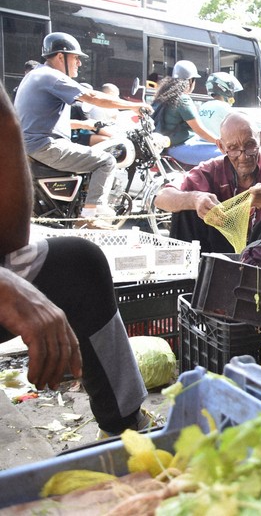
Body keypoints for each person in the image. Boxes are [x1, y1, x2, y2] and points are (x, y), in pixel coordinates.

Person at [0, 82, 153, 438]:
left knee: (79, 262)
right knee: (103, 160)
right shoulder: (48, 77)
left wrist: (7, 124)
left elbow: (11, 238)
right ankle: (90, 209)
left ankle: (124, 428)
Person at [14, 32, 150, 228]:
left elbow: (43, 120)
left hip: (29, 146)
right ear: (61, 57)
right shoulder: (52, 76)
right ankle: (90, 215)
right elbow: (92, 96)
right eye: (76, 58)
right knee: (106, 160)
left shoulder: (37, 75)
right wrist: (133, 106)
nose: (79, 63)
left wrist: (87, 125)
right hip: (43, 146)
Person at [154, 111, 261, 253]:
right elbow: (161, 197)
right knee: (185, 209)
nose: (243, 156)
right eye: (233, 149)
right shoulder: (211, 170)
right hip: (220, 251)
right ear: (221, 146)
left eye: (249, 145)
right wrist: (195, 199)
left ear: (260, 139)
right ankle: (192, 278)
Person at [152, 60, 220, 168]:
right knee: (225, 154)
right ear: (190, 81)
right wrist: (221, 143)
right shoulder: (183, 99)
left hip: (166, 147)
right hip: (180, 148)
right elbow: (200, 130)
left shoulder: (163, 97)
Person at [198, 72, 242, 136]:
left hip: (203, 143)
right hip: (219, 144)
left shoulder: (203, 106)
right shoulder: (224, 107)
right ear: (225, 89)